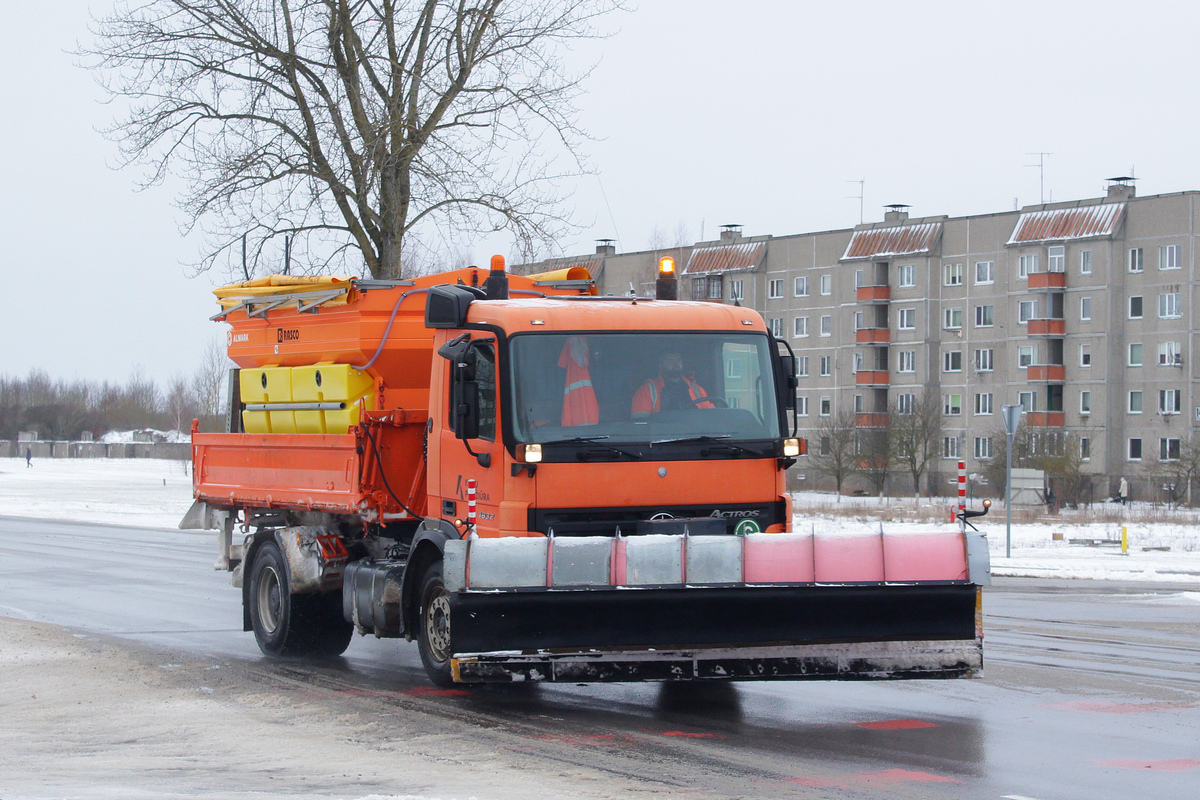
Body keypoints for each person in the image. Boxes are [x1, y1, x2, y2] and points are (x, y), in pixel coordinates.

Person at [631, 352, 714, 418]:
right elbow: (640, 425)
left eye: (678, 360)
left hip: (696, 437)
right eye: (670, 361)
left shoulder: (697, 389)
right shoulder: (648, 390)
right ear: (661, 365)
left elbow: (712, 416)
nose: (676, 364)